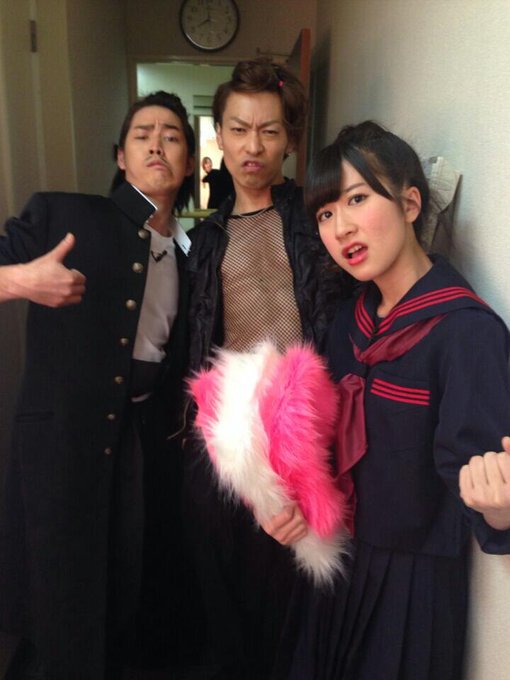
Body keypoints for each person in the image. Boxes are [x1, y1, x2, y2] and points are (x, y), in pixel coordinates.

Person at [281, 121, 510, 680]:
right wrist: (293, 500)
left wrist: (500, 507)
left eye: (357, 199)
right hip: (335, 564)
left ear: (410, 203)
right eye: (325, 213)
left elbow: (481, 478)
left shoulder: (466, 333)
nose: (341, 227)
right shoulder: (348, 321)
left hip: (412, 591)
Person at [0, 91, 196, 680]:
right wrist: (18, 280)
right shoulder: (64, 215)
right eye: (143, 134)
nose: (157, 144)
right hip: (64, 441)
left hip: (145, 437)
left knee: (133, 576)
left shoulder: (192, 250)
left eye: (172, 136)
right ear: (120, 156)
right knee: (63, 594)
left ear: (189, 161)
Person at [182, 58, 351, 680]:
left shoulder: (317, 221)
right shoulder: (204, 241)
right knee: (222, 591)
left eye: (269, 130)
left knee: (293, 596)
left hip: (302, 430)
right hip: (224, 439)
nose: (253, 146)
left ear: (290, 140)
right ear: (220, 137)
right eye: (238, 129)